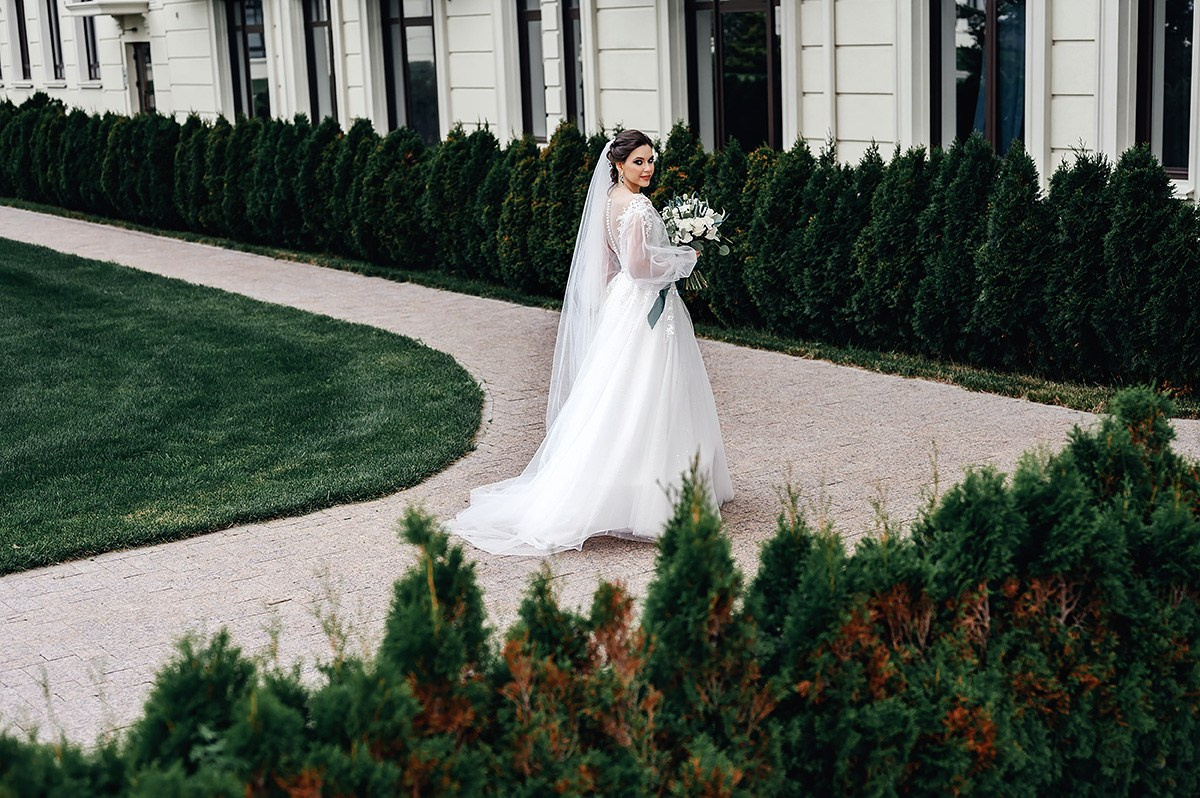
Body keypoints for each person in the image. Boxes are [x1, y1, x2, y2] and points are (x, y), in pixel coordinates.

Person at [448, 129, 733, 555]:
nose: (648, 168)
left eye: (651, 160)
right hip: (646, 307)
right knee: (651, 392)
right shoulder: (636, 206)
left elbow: (608, 268)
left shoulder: (607, 203)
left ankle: (631, 483)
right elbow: (639, 267)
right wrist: (684, 258)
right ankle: (655, 497)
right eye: (638, 161)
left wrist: (617, 306)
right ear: (618, 164)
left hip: (626, 306)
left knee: (622, 393)